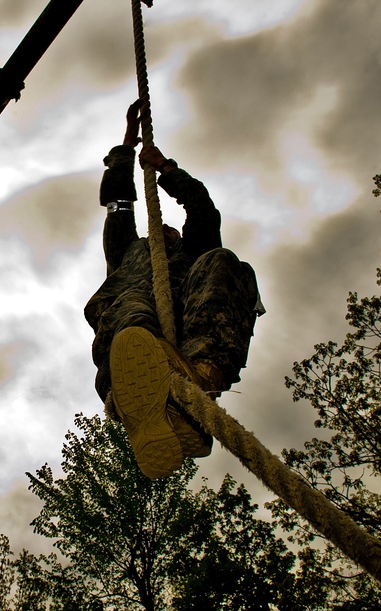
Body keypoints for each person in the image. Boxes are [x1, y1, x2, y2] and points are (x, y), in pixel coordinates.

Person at [84, 100, 264, 479]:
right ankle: (137, 390)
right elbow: (118, 204)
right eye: (157, 231)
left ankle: (197, 381)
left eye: (170, 231)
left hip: (188, 333)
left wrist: (166, 169)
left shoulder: (190, 252)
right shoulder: (129, 254)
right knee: (132, 308)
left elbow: (202, 210)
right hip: (133, 324)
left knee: (223, 262)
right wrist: (126, 150)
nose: (163, 231)